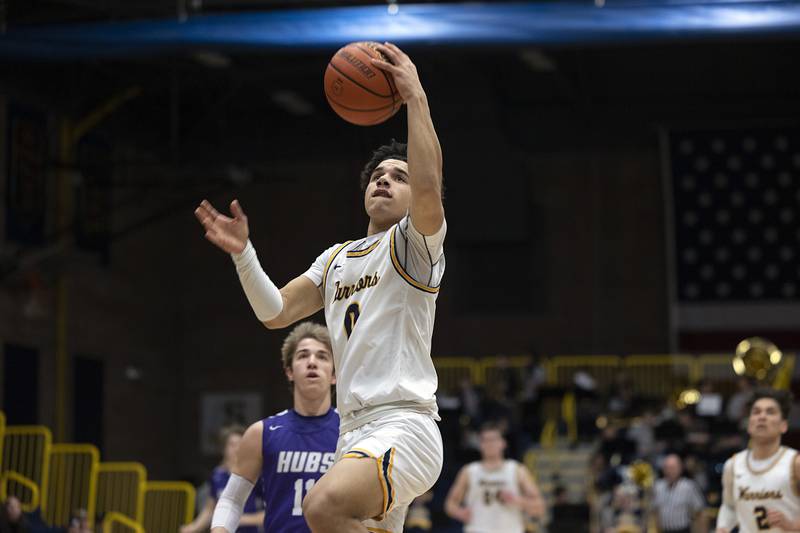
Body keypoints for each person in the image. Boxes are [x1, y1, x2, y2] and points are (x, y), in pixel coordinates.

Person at [196, 41, 445, 533]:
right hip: (352, 432)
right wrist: (244, 255)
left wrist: (415, 96)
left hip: (403, 424)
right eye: (377, 175)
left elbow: (429, 188)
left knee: (321, 508)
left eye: (398, 177)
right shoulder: (336, 259)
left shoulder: (414, 244)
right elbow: (275, 312)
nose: (384, 181)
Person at [209, 322, 339, 533]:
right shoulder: (261, 433)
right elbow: (232, 499)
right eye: (303, 355)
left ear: (334, 375)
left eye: (322, 356)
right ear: (289, 371)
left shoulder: (353, 432)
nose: (312, 362)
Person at [716, 388, 800, 533]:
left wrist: (793, 525)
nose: (762, 417)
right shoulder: (733, 465)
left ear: (783, 425)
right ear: (749, 424)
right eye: (756, 412)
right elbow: (729, 506)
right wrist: (723, 526)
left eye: (770, 412)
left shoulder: (795, 462)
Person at [444, 422, 544, 533]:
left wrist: (517, 500)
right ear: (480, 444)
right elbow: (450, 504)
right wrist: (459, 513)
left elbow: (539, 507)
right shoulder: (469, 471)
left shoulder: (517, 470)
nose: (490, 444)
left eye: (494, 439)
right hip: (477, 529)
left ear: (503, 443)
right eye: (485, 440)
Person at [182, 426, 265, 533]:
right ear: (223, 448)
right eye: (232, 445)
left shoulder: (256, 475)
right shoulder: (217, 475)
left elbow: (271, 513)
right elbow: (209, 509)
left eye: (241, 444)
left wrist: (236, 519)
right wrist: (192, 528)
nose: (237, 448)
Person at [650, 454, 706, 533]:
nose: (669, 471)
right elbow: (655, 511)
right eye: (666, 468)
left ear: (680, 469)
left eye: (672, 468)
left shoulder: (689, 486)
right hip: (664, 530)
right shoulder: (658, 486)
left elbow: (700, 512)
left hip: (682, 530)